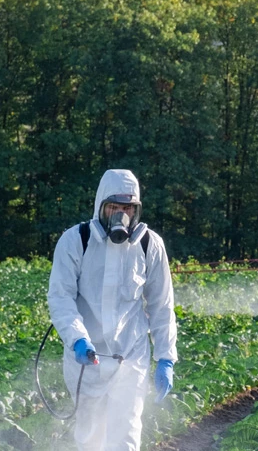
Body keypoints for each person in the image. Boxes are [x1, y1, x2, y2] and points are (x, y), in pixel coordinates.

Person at [48, 169, 178, 451]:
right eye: (114, 207)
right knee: (89, 438)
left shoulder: (149, 245)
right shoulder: (76, 241)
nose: (121, 215)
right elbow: (61, 298)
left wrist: (166, 357)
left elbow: (161, 305)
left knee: (125, 438)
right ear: (100, 207)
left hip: (130, 357)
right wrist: (78, 339)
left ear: (136, 210)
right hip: (86, 360)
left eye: (127, 208)